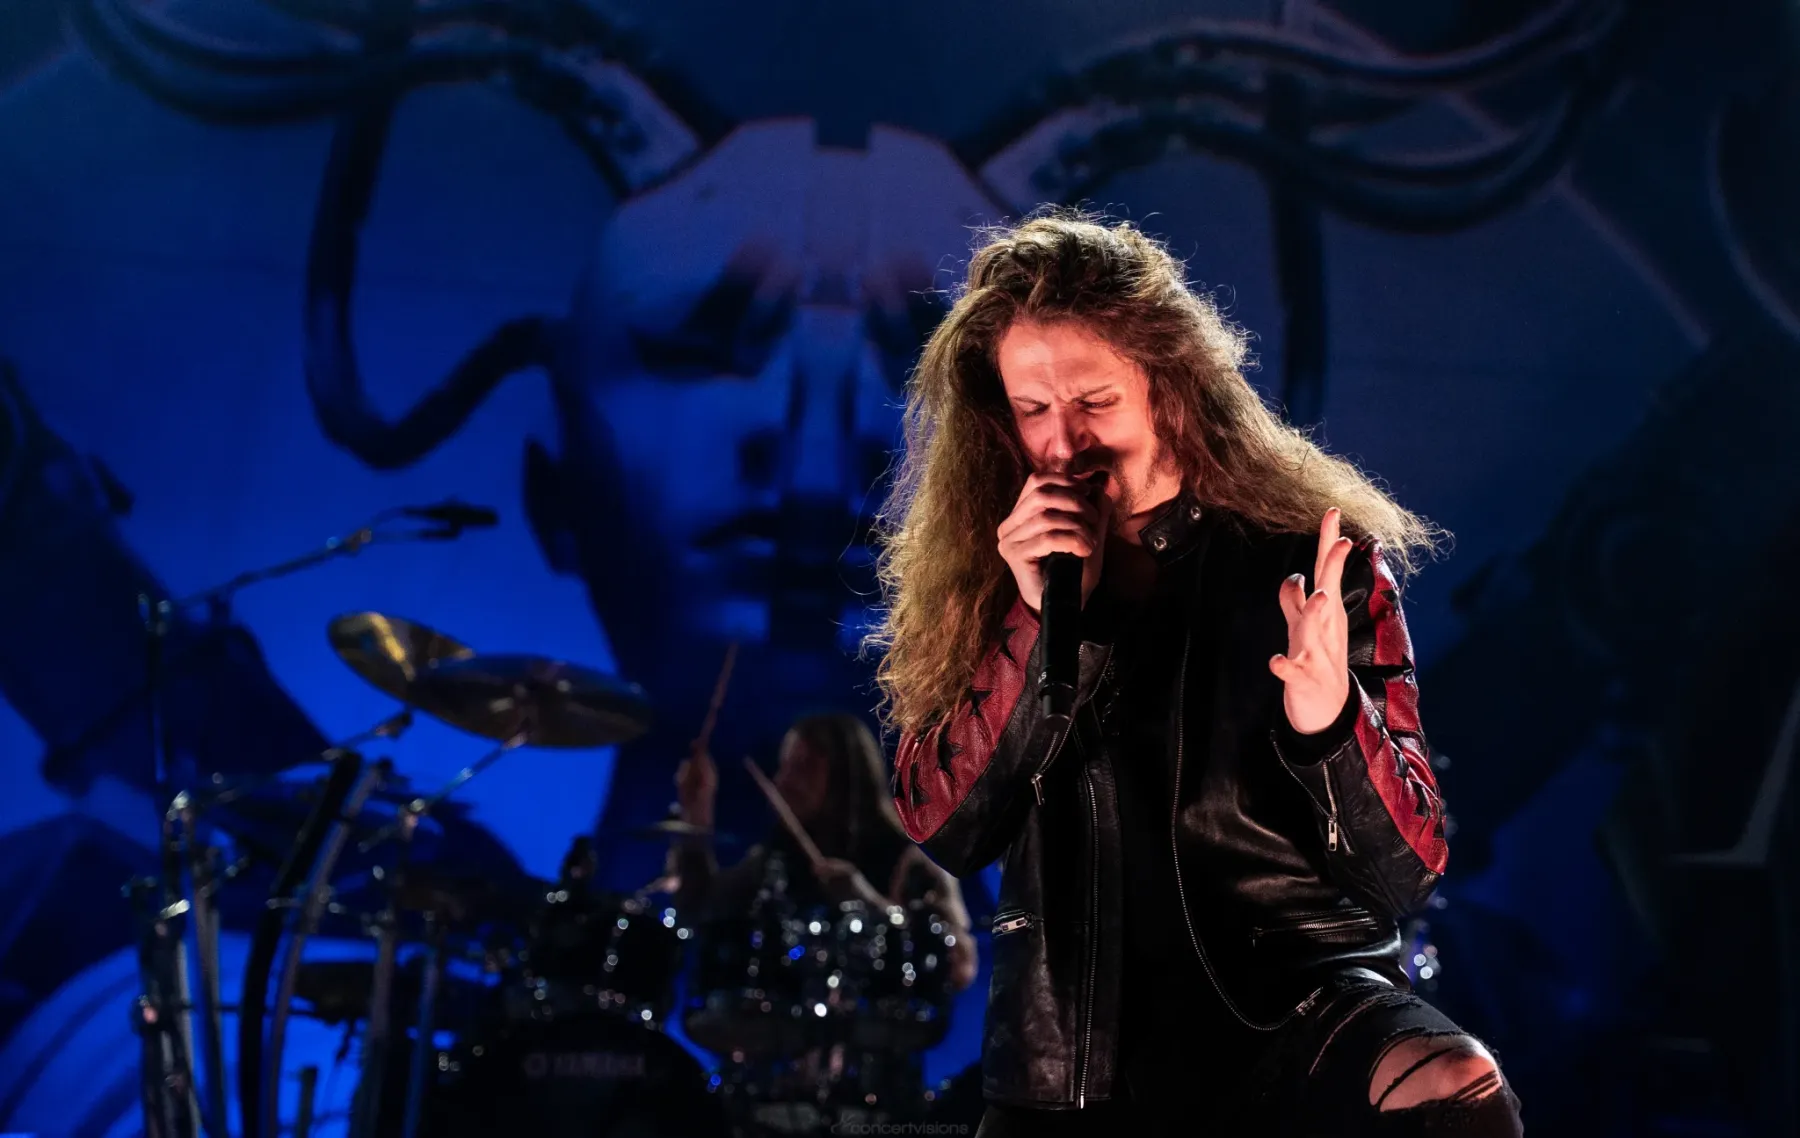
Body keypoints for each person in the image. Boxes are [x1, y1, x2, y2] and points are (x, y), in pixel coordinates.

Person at [868, 210, 1523, 1136]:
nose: (1064, 442)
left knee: (1454, 1082)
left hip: (1294, 1000)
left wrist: (1331, 721)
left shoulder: (1311, 560)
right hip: (1081, 1040)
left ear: (1170, 385)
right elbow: (948, 825)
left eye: (1095, 402)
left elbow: (1407, 872)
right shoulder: (991, 572)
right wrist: (1038, 621)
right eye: (1033, 410)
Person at [669, 710, 979, 990]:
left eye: (803, 767)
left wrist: (868, 903)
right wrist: (697, 814)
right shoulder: (778, 858)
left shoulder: (909, 861)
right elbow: (700, 911)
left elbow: (958, 965)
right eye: (784, 766)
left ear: (847, 777)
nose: (783, 782)